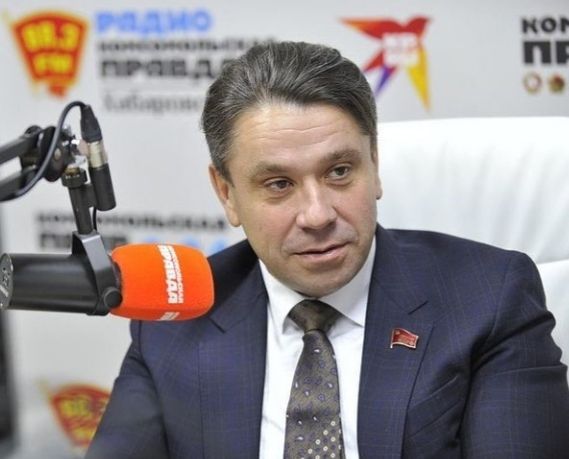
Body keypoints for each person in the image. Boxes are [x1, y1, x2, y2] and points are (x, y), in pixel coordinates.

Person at [86, 41, 569, 458]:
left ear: (374, 164)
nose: (317, 215)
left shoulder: (488, 298)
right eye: (278, 184)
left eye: (339, 172)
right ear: (226, 194)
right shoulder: (176, 319)